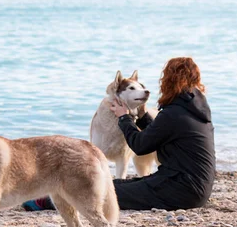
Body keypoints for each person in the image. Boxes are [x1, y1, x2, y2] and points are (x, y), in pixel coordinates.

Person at [23, 57, 216, 211]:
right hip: (192, 187)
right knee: (118, 185)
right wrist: (140, 116)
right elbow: (157, 136)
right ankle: (53, 195)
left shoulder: (174, 113)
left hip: (180, 189)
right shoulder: (193, 109)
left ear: (170, 80)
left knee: (104, 191)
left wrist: (124, 117)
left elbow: (140, 146)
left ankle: (45, 202)